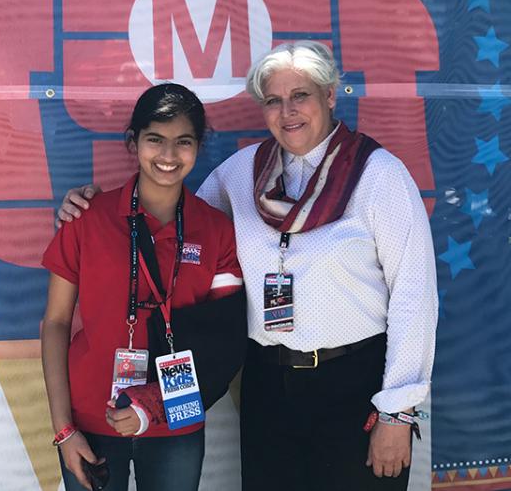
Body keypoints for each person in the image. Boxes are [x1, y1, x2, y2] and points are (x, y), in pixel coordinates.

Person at [57, 41, 438, 491]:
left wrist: (396, 411)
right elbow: (175, 222)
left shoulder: (378, 176)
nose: (287, 111)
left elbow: (415, 295)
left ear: (331, 95)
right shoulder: (243, 173)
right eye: (273, 100)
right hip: (267, 387)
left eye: (301, 95)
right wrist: (90, 208)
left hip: (352, 386)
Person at [41, 83, 246, 491]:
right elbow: (55, 323)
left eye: (183, 142)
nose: (169, 156)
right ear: (133, 143)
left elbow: (223, 342)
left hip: (175, 420)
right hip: (90, 422)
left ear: (198, 146)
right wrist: (64, 429)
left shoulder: (218, 231)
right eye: (155, 140)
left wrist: (154, 405)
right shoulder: (86, 218)